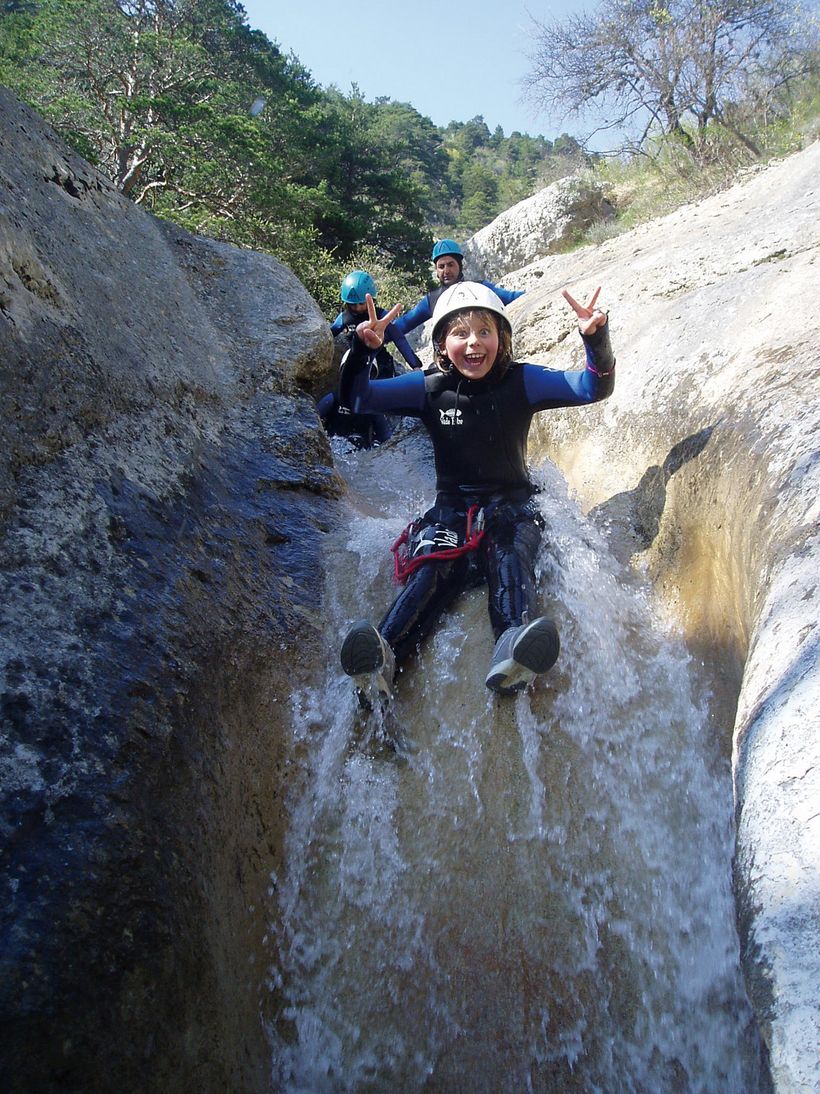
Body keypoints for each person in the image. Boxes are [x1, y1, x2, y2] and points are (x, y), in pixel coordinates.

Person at [338, 280, 615, 699]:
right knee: (431, 570)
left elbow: (593, 387)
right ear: (442, 344)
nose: (473, 344)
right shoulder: (427, 387)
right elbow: (357, 400)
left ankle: (511, 651)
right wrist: (362, 352)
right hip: (451, 511)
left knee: (509, 560)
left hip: (513, 506)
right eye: (460, 333)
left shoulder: (522, 381)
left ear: (501, 339)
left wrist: (596, 340)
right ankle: (382, 655)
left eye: (485, 332)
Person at [317, 270, 421, 448]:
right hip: (354, 363)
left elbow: (399, 339)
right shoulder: (345, 318)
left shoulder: (381, 316)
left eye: (362, 304)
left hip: (379, 365)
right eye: (353, 304)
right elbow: (329, 334)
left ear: (371, 300)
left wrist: (415, 365)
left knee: (377, 400)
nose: (358, 308)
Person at [390, 240, 525, 340]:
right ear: (436, 271)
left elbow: (513, 297)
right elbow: (403, 325)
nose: (446, 270)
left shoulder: (480, 289)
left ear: (459, 266)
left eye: (450, 265)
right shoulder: (432, 300)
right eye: (441, 266)